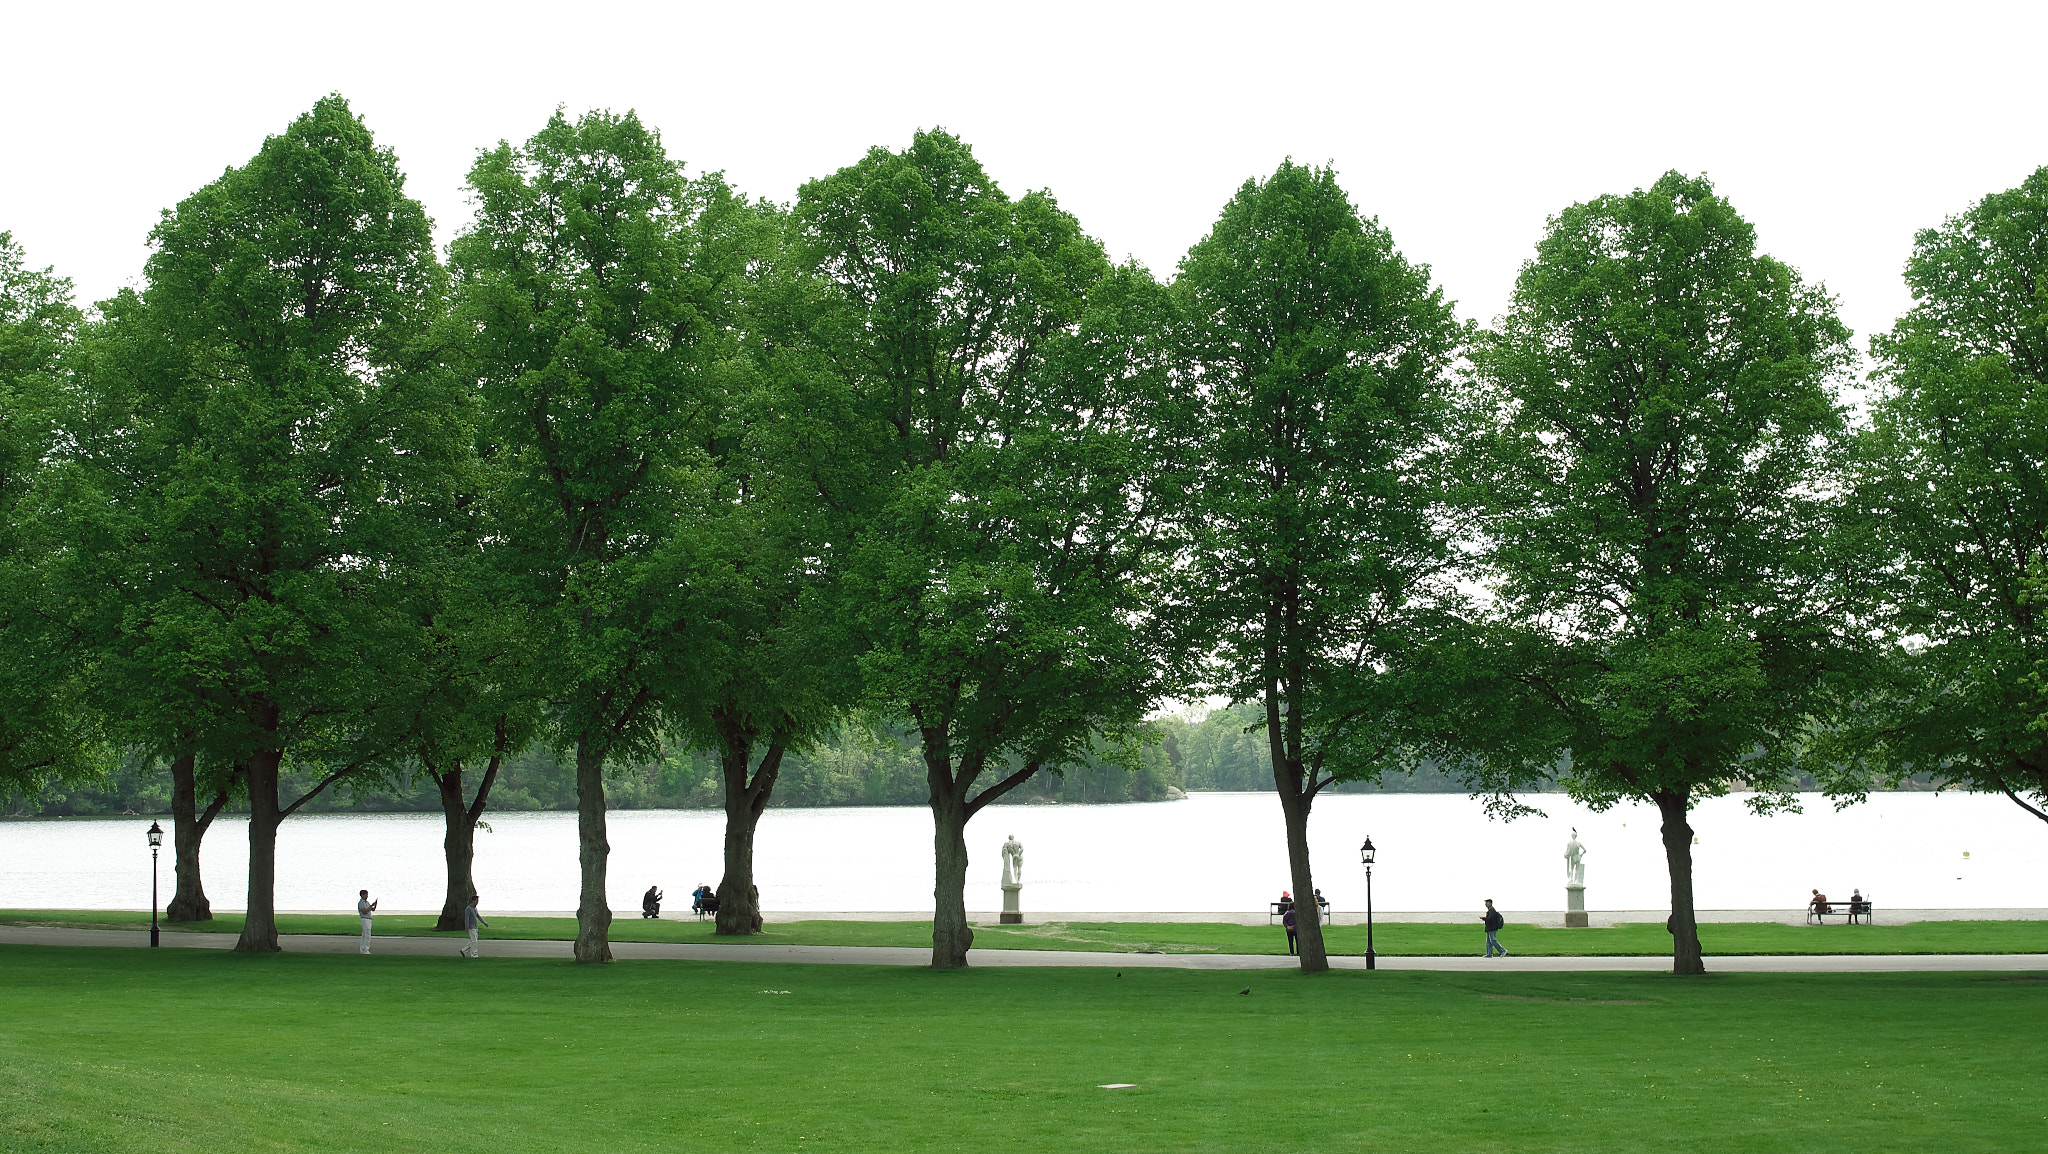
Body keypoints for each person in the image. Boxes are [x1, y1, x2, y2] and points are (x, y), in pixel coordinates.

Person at [459, 893, 489, 959]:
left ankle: (463, 950)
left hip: (475, 927)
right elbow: (466, 918)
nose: (477, 902)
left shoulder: (475, 908)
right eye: (476, 901)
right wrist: (466, 927)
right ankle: (474, 955)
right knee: (474, 941)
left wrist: (484, 922)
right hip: (471, 927)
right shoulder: (468, 909)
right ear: (473, 901)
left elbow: (478, 916)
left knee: (473, 941)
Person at [356, 889, 378, 955]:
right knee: (367, 935)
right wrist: (370, 906)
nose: (367, 896)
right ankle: (365, 949)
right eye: (366, 894)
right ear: (362, 895)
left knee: (365, 935)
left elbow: (372, 909)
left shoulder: (367, 902)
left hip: (368, 919)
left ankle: (363, 949)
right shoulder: (361, 903)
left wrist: (374, 905)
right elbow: (364, 911)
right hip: (365, 919)